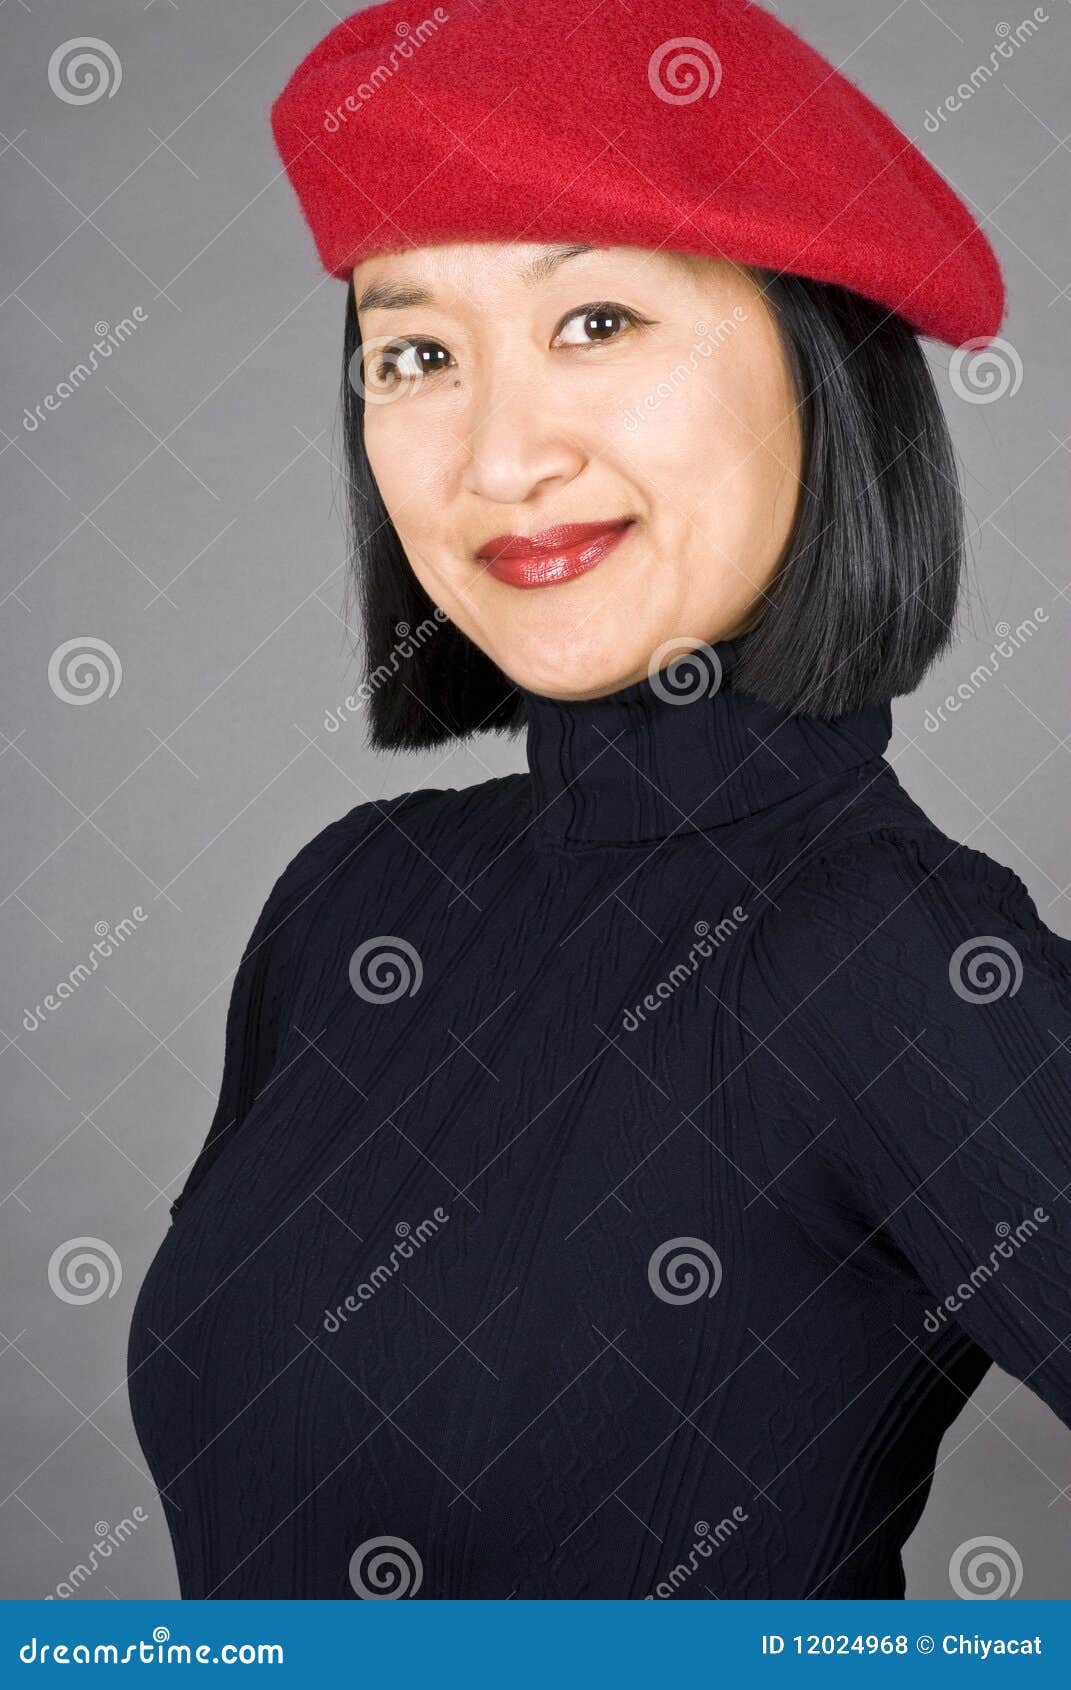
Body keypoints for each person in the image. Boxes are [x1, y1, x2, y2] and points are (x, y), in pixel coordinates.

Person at [127, 0, 1070, 1600]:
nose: (500, 458)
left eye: (598, 321)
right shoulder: (352, 902)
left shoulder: (894, 959)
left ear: (822, 362)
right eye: (417, 353)